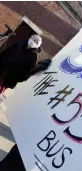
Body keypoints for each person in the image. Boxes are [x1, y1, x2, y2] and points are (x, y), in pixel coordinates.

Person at [0, 35, 51, 171]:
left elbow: (23, 76)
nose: (33, 42)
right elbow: (7, 52)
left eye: (36, 42)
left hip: (6, 79)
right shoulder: (20, 43)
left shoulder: (32, 57)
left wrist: (32, 73)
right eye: (33, 39)